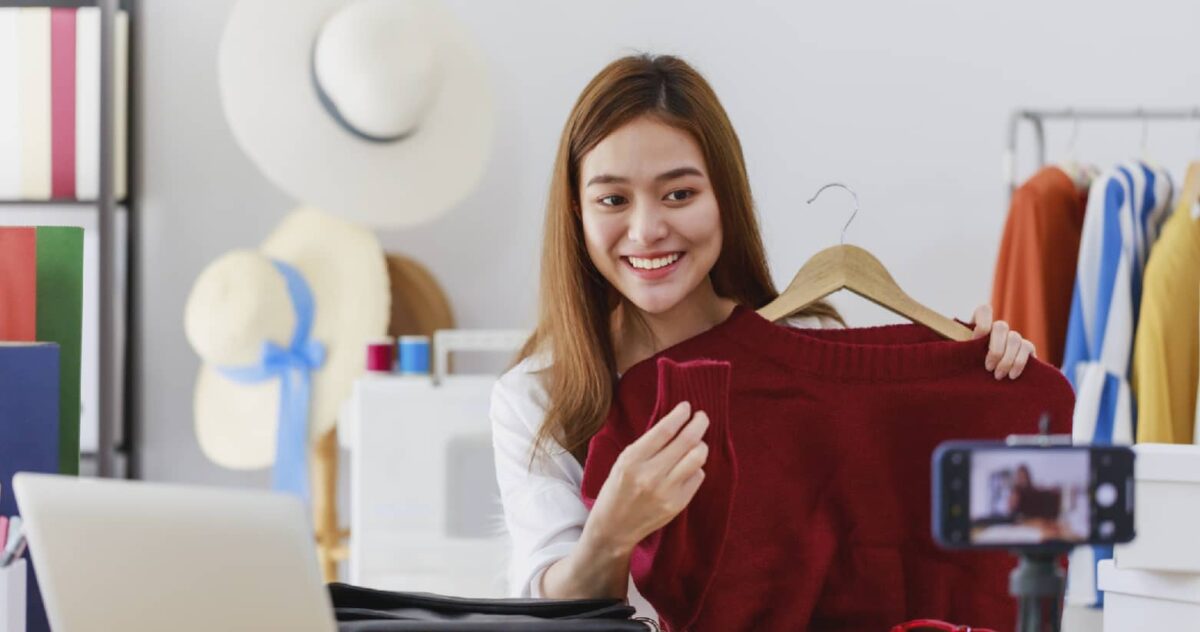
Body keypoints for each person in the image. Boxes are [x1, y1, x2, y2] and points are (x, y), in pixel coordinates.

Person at [489, 53, 1038, 618]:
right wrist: (611, 532)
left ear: (725, 197)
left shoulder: (814, 345)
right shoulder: (537, 397)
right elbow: (546, 615)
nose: (647, 230)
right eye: (613, 200)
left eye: (679, 194)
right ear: (576, 213)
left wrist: (990, 386)